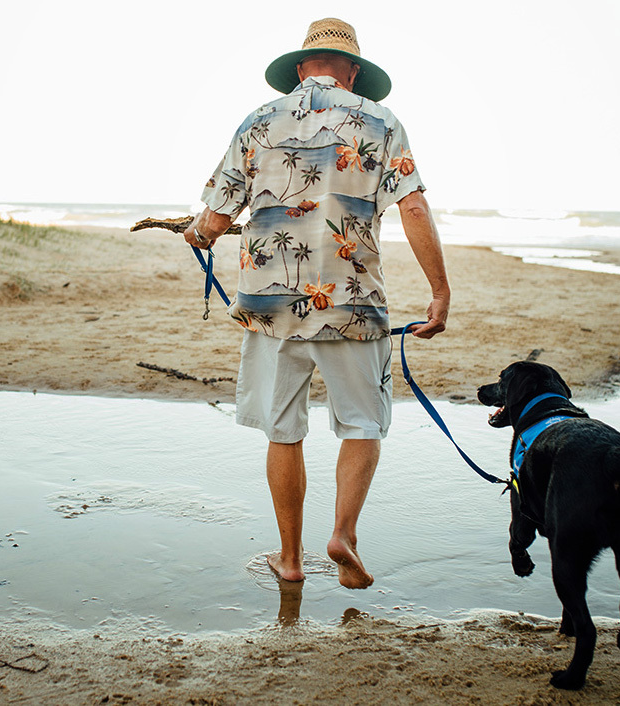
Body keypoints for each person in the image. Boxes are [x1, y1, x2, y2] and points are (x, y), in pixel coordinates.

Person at [184, 18, 450, 589]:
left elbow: (214, 217)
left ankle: (291, 560)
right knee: (362, 425)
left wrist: (198, 234)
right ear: (352, 72)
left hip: (270, 308)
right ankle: (343, 535)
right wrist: (439, 291)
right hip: (352, 305)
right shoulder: (381, 121)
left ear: (301, 69)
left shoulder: (257, 121)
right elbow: (414, 209)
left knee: (283, 431)